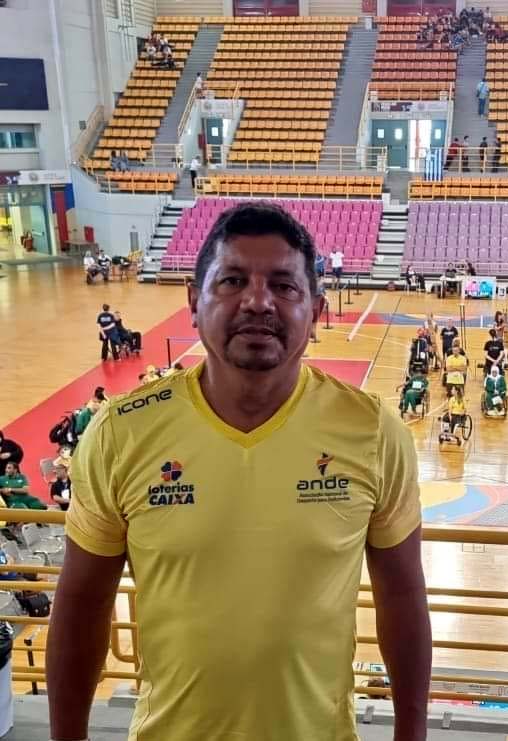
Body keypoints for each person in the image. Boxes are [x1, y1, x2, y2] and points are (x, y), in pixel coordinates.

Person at [47, 202, 431, 741]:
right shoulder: (121, 433)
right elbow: (83, 602)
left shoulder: (373, 432)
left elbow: (402, 595)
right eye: (232, 281)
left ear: (316, 311)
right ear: (193, 302)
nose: (257, 301)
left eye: (283, 285)